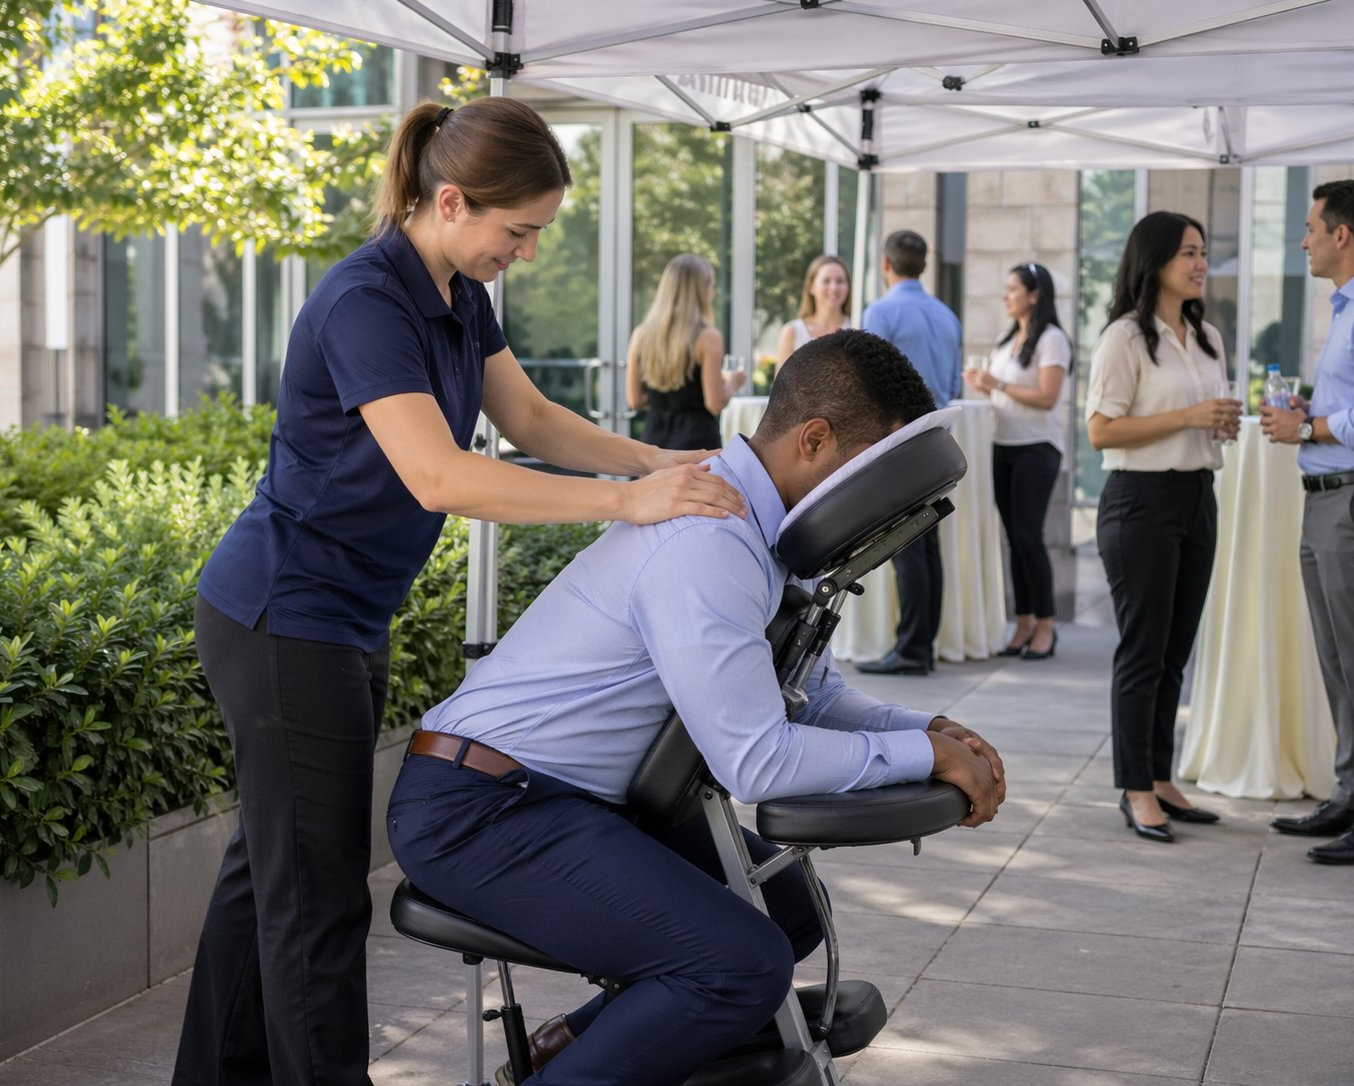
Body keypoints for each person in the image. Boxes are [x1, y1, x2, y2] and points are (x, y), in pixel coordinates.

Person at [172, 98, 747, 1086]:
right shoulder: (365, 301)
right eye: (516, 230)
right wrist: (628, 501)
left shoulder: (454, 290)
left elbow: (527, 414)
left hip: (343, 616)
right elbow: (438, 476)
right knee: (314, 899)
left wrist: (668, 465)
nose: (524, 252)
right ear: (449, 200)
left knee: (265, 873)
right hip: (283, 618)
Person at [387, 329, 1006, 1086]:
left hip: (574, 798)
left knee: (789, 909)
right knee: (740, 966)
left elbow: (815, 697)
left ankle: (568, 1050)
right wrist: (923, 759)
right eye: (868, 471)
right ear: (815, 440)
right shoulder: (708, 538)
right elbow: (758, 759)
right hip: (480, 807)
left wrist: (925, 733)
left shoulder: (765, 530)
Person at [1261, 178, 1354, 866]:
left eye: (1312, 228)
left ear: (1342, 235)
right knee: (1339, 661)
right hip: (1333, 495)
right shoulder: (1353, 307)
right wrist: (1307, 412)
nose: (1304, 240)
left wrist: (1311, 424)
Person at [1086, 211, 1241, 844]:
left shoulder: (1206, 336)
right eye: (1189, 254)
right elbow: (1101, 429)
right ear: (1154, 263)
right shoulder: (1124, 338)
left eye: (1203, 252)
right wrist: (1188, 416)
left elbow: (1202, 416)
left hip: (1196, 497)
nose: (1201, 263)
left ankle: (1162, 775)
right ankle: (1135, 788)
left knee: (1176, 651)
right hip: (1139, 503)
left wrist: (1215, 424)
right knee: (1143, 652)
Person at [856, 230, 962, 676]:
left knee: (908, 547)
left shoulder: (881, 311)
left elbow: (865, 384)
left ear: (886, 265)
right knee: (926, 543)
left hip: (897, 440)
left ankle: (913, 649)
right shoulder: (947, 316)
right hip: (937, 437)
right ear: (924, 263)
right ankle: (923, 644)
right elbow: (955, 385)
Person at [964, 262, 1072, 660]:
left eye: (1013, 289)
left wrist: (997, 384)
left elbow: (1046, 397)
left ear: (1035, 295)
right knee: (1013, 539)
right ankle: (1023, 621)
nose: (1006, 296)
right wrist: (987, 388)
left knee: (1029, 536)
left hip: (1036, 447)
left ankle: (1046, 624)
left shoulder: (1053, 339)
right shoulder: (1006, 340)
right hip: (1003, 445)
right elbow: (1005, 396)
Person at [626, 254, 747, 451]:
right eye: (711, 286)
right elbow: (714, 404)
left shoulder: (641, 334)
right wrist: (733, 382)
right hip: (696, 442)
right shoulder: (708, 337)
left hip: (654, 442)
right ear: (701, 290)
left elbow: (635, 400)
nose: (713, 293)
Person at [776, 253, 851, 365]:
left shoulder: (859, 327)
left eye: (840, 281)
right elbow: (780, 382)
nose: (834, 288)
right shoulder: (792, 333)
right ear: (811, 287)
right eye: (826, 281)